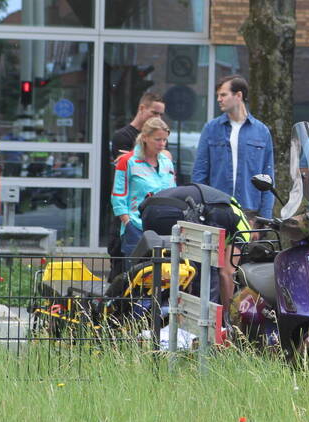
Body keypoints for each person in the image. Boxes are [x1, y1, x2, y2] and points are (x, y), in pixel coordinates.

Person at [192, 76, 275, 307]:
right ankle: (226, 320)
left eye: (223, 94)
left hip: (247, 212)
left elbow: (268, 178)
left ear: (238, 96)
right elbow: (200, 172)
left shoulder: (261, 132)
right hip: (217, 209)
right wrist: (200, 209)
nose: (219, 99)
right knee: (218, 270)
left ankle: (233, 320)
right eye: (218, 95)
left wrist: (262, 219)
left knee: (232, 269)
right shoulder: (212, 128)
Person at [111, 117, 176, 257]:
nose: (162, 144)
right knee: (137, 274)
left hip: (164, 226)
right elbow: (118, 195)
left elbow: (173, 193)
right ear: (145, 137)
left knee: (163, 275)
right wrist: (127, 223)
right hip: (136, 226)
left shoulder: (167, 163)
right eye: (158, 139)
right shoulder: (127, 161)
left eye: (165, 140)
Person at [110, 92, 165, 161]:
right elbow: (127, 164)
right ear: (141, 108)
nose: (158, 118)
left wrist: (134, 155)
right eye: (154, 113)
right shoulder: (122, 136)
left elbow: (167, 158)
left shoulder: (159, 134)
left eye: (161, 115)